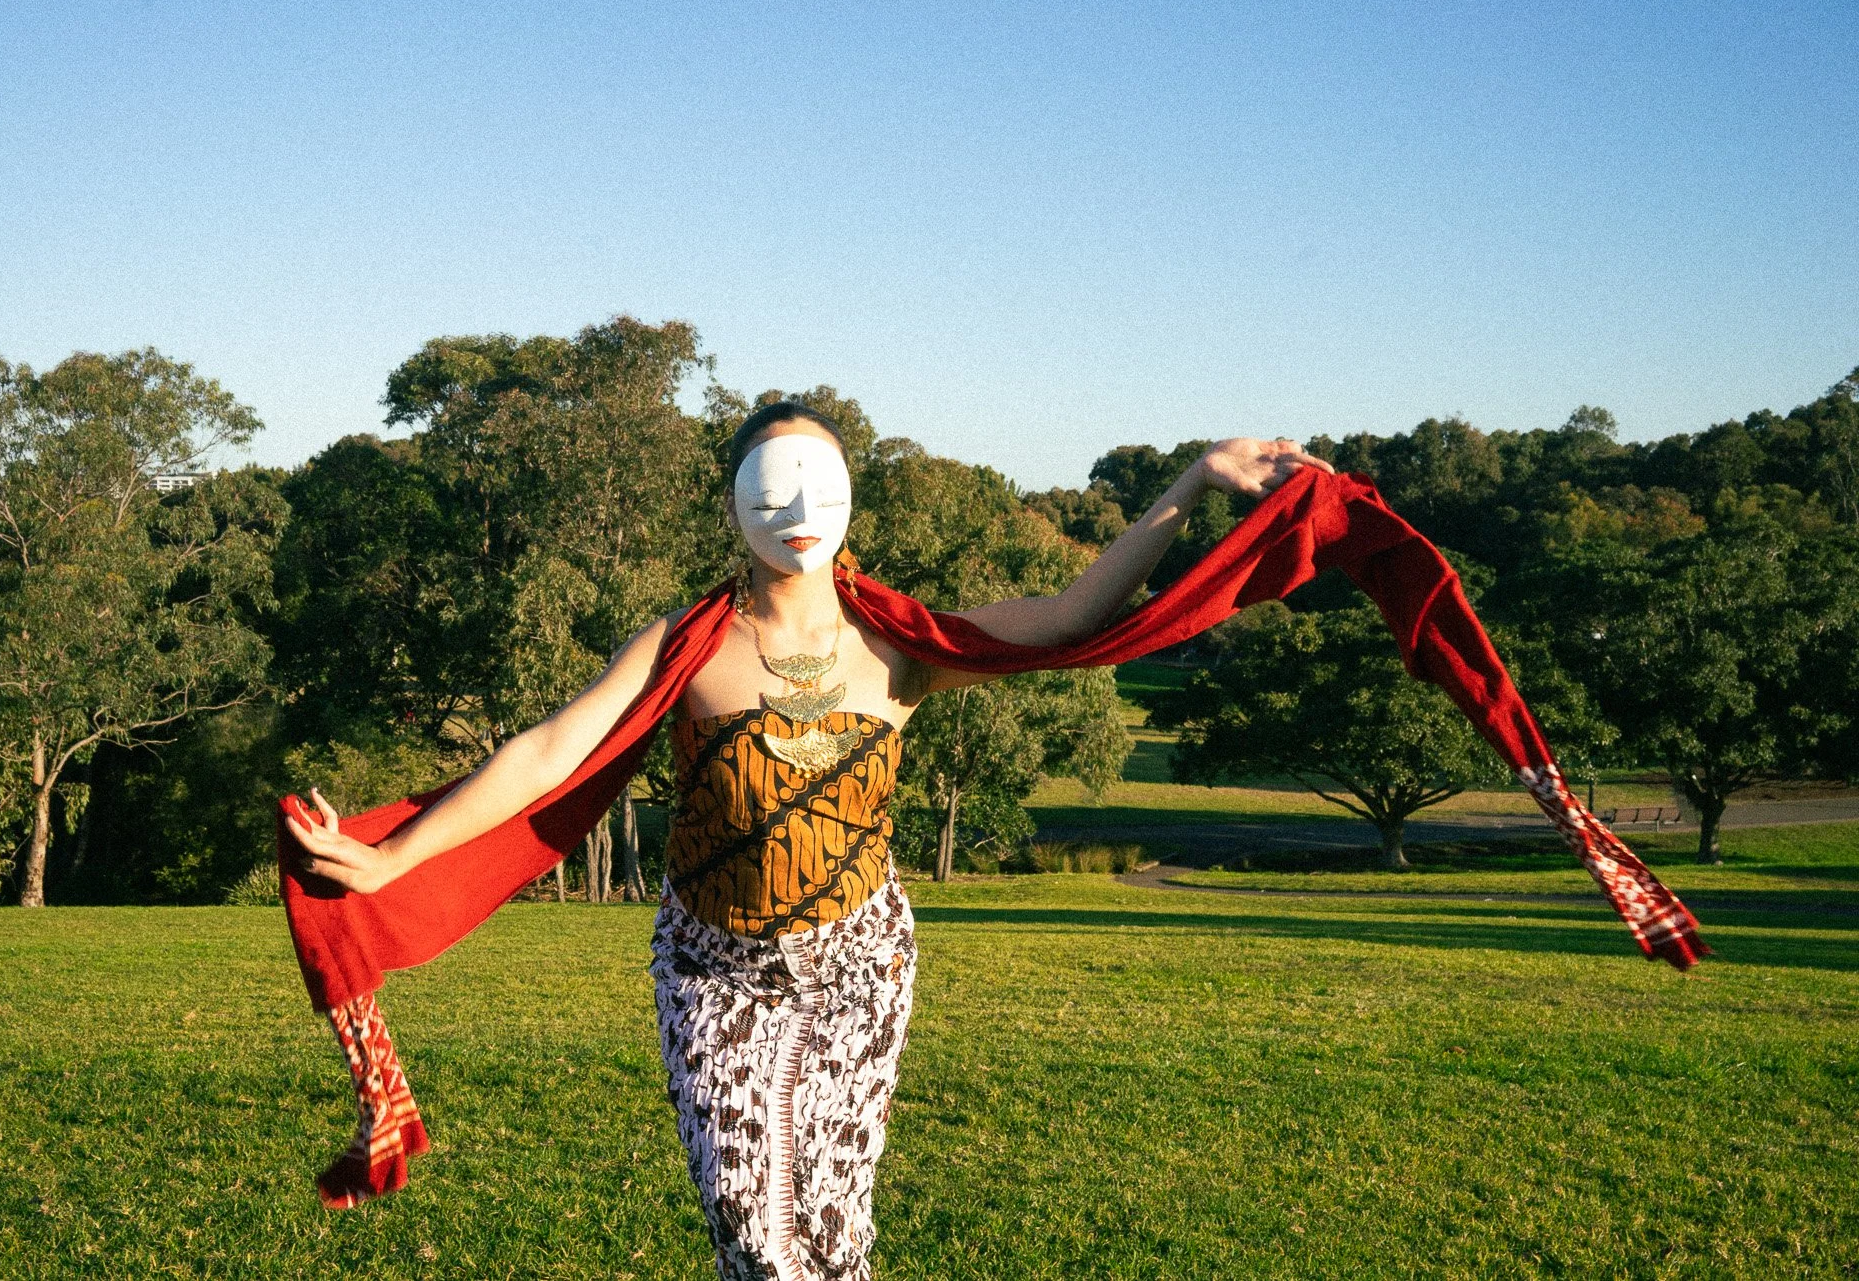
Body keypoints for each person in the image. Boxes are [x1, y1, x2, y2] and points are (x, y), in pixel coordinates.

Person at [285, 403, 1331, 1279]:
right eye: (769, 482)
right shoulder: (687, 645)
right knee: (750, 1221)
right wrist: (393, 855)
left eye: (814, 481)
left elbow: (1068, 616)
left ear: (845, 502)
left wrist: (1192, 481)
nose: (792, 510)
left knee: (831, 1227)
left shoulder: (898, 648)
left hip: (860, 966)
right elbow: (548, 752)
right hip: (713, 970)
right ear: (734, 501)